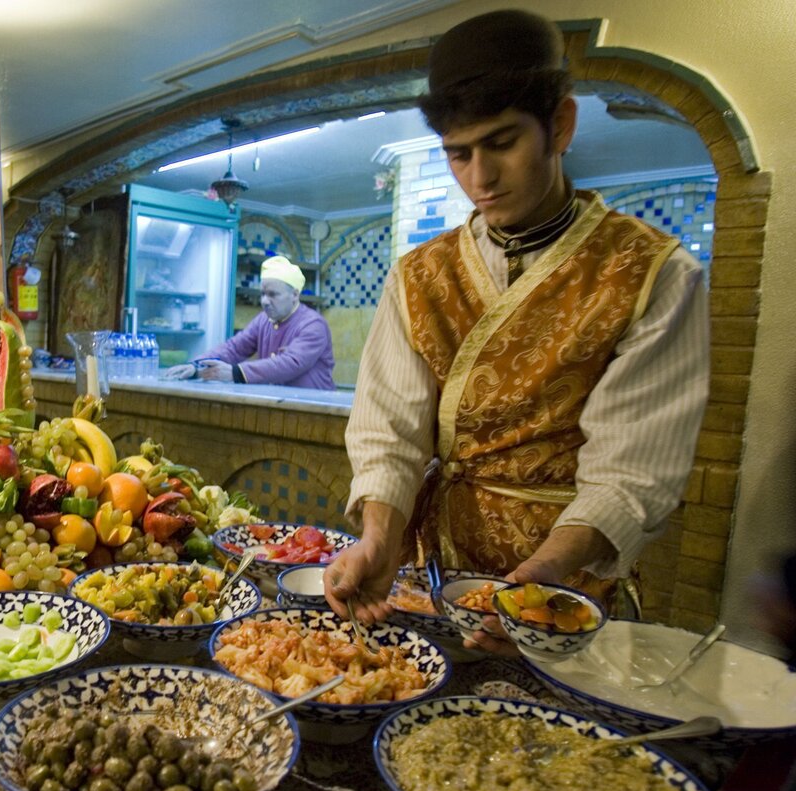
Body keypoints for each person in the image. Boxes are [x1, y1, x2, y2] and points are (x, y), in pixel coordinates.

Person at [323, 9, 710, 656]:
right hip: (437, 576)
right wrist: (379, 539)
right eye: (459, 153)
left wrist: (545, 579)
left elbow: (632, 474)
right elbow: (389, 430)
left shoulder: (651, 274)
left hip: (567, 589)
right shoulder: (419, 275)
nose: (480, 178)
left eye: (502, 143)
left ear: (560, 125)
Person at [162, 255, 336, 389]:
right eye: (262, 294)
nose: (265, 301)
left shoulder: (313, 325)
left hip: (313, 412)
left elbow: (291, 363)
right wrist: (195, 366)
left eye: (273, 294)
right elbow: (234, 348)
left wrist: (235, 373)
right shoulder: (263, 320)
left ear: (295, 295)